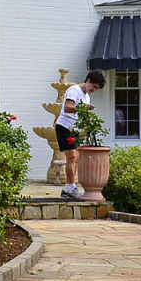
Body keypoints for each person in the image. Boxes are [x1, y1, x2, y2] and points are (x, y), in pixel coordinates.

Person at [54, 69, 105, 199]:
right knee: (71, 157)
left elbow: (81, 113)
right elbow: (67, 108)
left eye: (97, 88)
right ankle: (71, 187)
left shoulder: (86, 96)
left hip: (74, 129)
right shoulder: (74, 90)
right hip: (64, 126)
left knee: (75, 158)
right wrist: (83, 108)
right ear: (88, 81)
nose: (94, 89)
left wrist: (90, 120)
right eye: (94, 86)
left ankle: (68, 188)